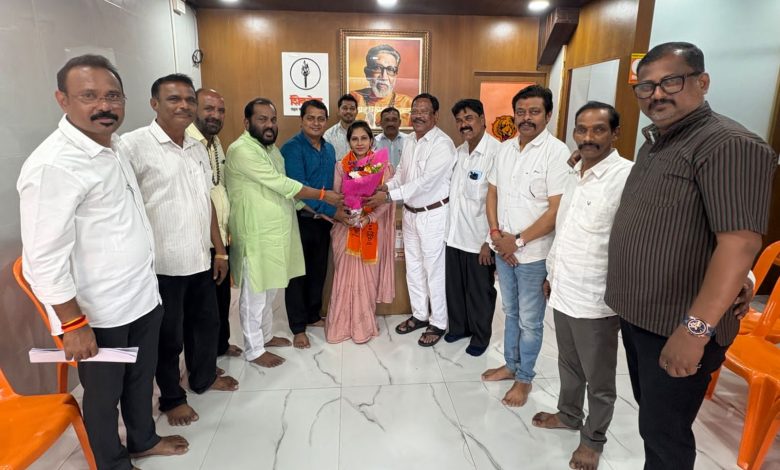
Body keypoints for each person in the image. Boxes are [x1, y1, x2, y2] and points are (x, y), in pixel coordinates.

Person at [605, 42, 776, 470]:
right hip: (642, 319)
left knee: (666, 435)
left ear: (703, 82)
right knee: (653, 423)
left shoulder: (728, 144)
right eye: (645, 86)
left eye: (671, 81)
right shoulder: (655, 143)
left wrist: (695, 331)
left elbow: (740, 243)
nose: (656, 94)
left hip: (678, 325)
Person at [18, 54, 188, 470]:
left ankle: (143, 439)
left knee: (139, 379)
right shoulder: (54, 165)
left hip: (140, 297)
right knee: (103, 395)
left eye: (113, 96)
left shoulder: (112, 147)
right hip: (98, 311)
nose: (104, 106)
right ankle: (112, 463)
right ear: (62, 99)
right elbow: (43, 258)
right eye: (89, 96)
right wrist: (73, 322)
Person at [124, 73, 239, 427]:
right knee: (168, 337)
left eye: (189, 100)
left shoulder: (196, 147)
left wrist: (219, 251)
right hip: (161, 264)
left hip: (199, 258)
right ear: (154, 103)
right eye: (174, 99)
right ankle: (172, 398)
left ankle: (203, 377)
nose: (184, 106)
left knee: (206, 325)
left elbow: (206, 201)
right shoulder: (132, 146)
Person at [532, 102, 633, 470]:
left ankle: (593, 439)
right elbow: (566, 230)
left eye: (598, 129)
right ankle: (569, 414)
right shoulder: (574, 172)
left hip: (596, 298)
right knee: (568, 363)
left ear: (615, 133)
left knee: (599, 378)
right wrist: (550, 273)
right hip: (563, 288)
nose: (588, 137)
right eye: (581, 129)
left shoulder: (627, 176)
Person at [226, 98, 342, 366]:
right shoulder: (242, 150)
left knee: (269, 290)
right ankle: (254, 350)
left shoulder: (271, 151)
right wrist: (322, 196)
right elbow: (281, 183)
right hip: (255, 234)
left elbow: (288, 192)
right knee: (254, 294)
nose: (269, 125)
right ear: (247, 122)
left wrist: (318, 210)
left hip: (276, 232)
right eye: (262, 119)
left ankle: (266, 336)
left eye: (272, 119)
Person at [482, 85, 570, 407]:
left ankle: (525, 378)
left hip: (533, 255)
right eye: (521, 112)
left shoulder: (557, 153)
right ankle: (510, 364)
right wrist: (496, 234)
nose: (526, 118)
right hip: (503, 249)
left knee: (530, 321)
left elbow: (555, 210)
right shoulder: (505, 149)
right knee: (510, 312)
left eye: (534, 112)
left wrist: (516, 242)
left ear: (548, 115)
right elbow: (492, 193)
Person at [365, 93, 457, 347]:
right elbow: (403, 174)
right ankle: (419, 314)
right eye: (414, 110)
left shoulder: (443, 144)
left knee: (433, 270)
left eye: (424, 111)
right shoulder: (410, 141)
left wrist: (388, 196)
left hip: (433, 214)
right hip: (410, 213)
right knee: (413, 267)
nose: (417, 115)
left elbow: (425, 183)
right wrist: (385, 187)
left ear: (435, 115)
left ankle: (438, 322)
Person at [281, 99, 346, 349]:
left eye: (321, 118)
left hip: (324, 222)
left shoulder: (329, 149)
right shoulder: (292, 148)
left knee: (318, 269)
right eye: (311, 118)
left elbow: (333, 185)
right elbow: (299, 189)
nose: (316, 123)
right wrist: (334, 211)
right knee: (298, 274)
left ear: (326, 121)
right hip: (301, 219)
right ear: (302, 120)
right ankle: (298, 327)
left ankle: (312, 314)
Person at [326, 120, 396, 344]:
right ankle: (340, 326)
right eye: (354, 139)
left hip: (371, 229)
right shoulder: (341, 166)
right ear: (348, 142)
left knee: (367, 279)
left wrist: (368, 217)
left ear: (372, 140)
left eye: (364, 138)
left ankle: (363, 327)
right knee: (343, 277)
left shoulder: (383, 166)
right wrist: (350, 213)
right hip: (346, 226)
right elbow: (337, 195)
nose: (359, 143)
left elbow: (387, 200)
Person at [186, 88, 242, 358]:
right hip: (201, 241)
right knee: (202, 309)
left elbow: (219, 189)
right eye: (208, 109)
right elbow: (201, 198)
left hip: (220, 236)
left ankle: (221, 346)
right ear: (194, 109)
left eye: (220, 110)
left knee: (221, 300)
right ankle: (204, 366)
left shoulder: (215, 141)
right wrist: (218, 248)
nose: (215, 115)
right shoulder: (187, 143)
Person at [444, 99, 500, 357]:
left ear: (482, 119)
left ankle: (480, 336)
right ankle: (459, 327)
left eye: (469, 118)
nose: (463, 125)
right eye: (459, 120)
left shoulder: (496, 153)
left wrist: (490, 241)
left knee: (480, 292)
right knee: (455, 289)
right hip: (454, 235)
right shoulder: (459, 152)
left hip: (479, 240)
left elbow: (499, 201)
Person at [350, 44, 414, 128]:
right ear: (367, 73)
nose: (384, 77)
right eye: (377, 68)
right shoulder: (353, 98)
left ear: (396, 75)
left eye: (390, 69)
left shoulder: (408, 104)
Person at [323, 94, 358, 159]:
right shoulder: (329, 135)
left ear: (357, 111)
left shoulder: (365, 133)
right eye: (345, 108)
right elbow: (324, 158)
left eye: (352, 108)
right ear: (339, 111)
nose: (348, 111)